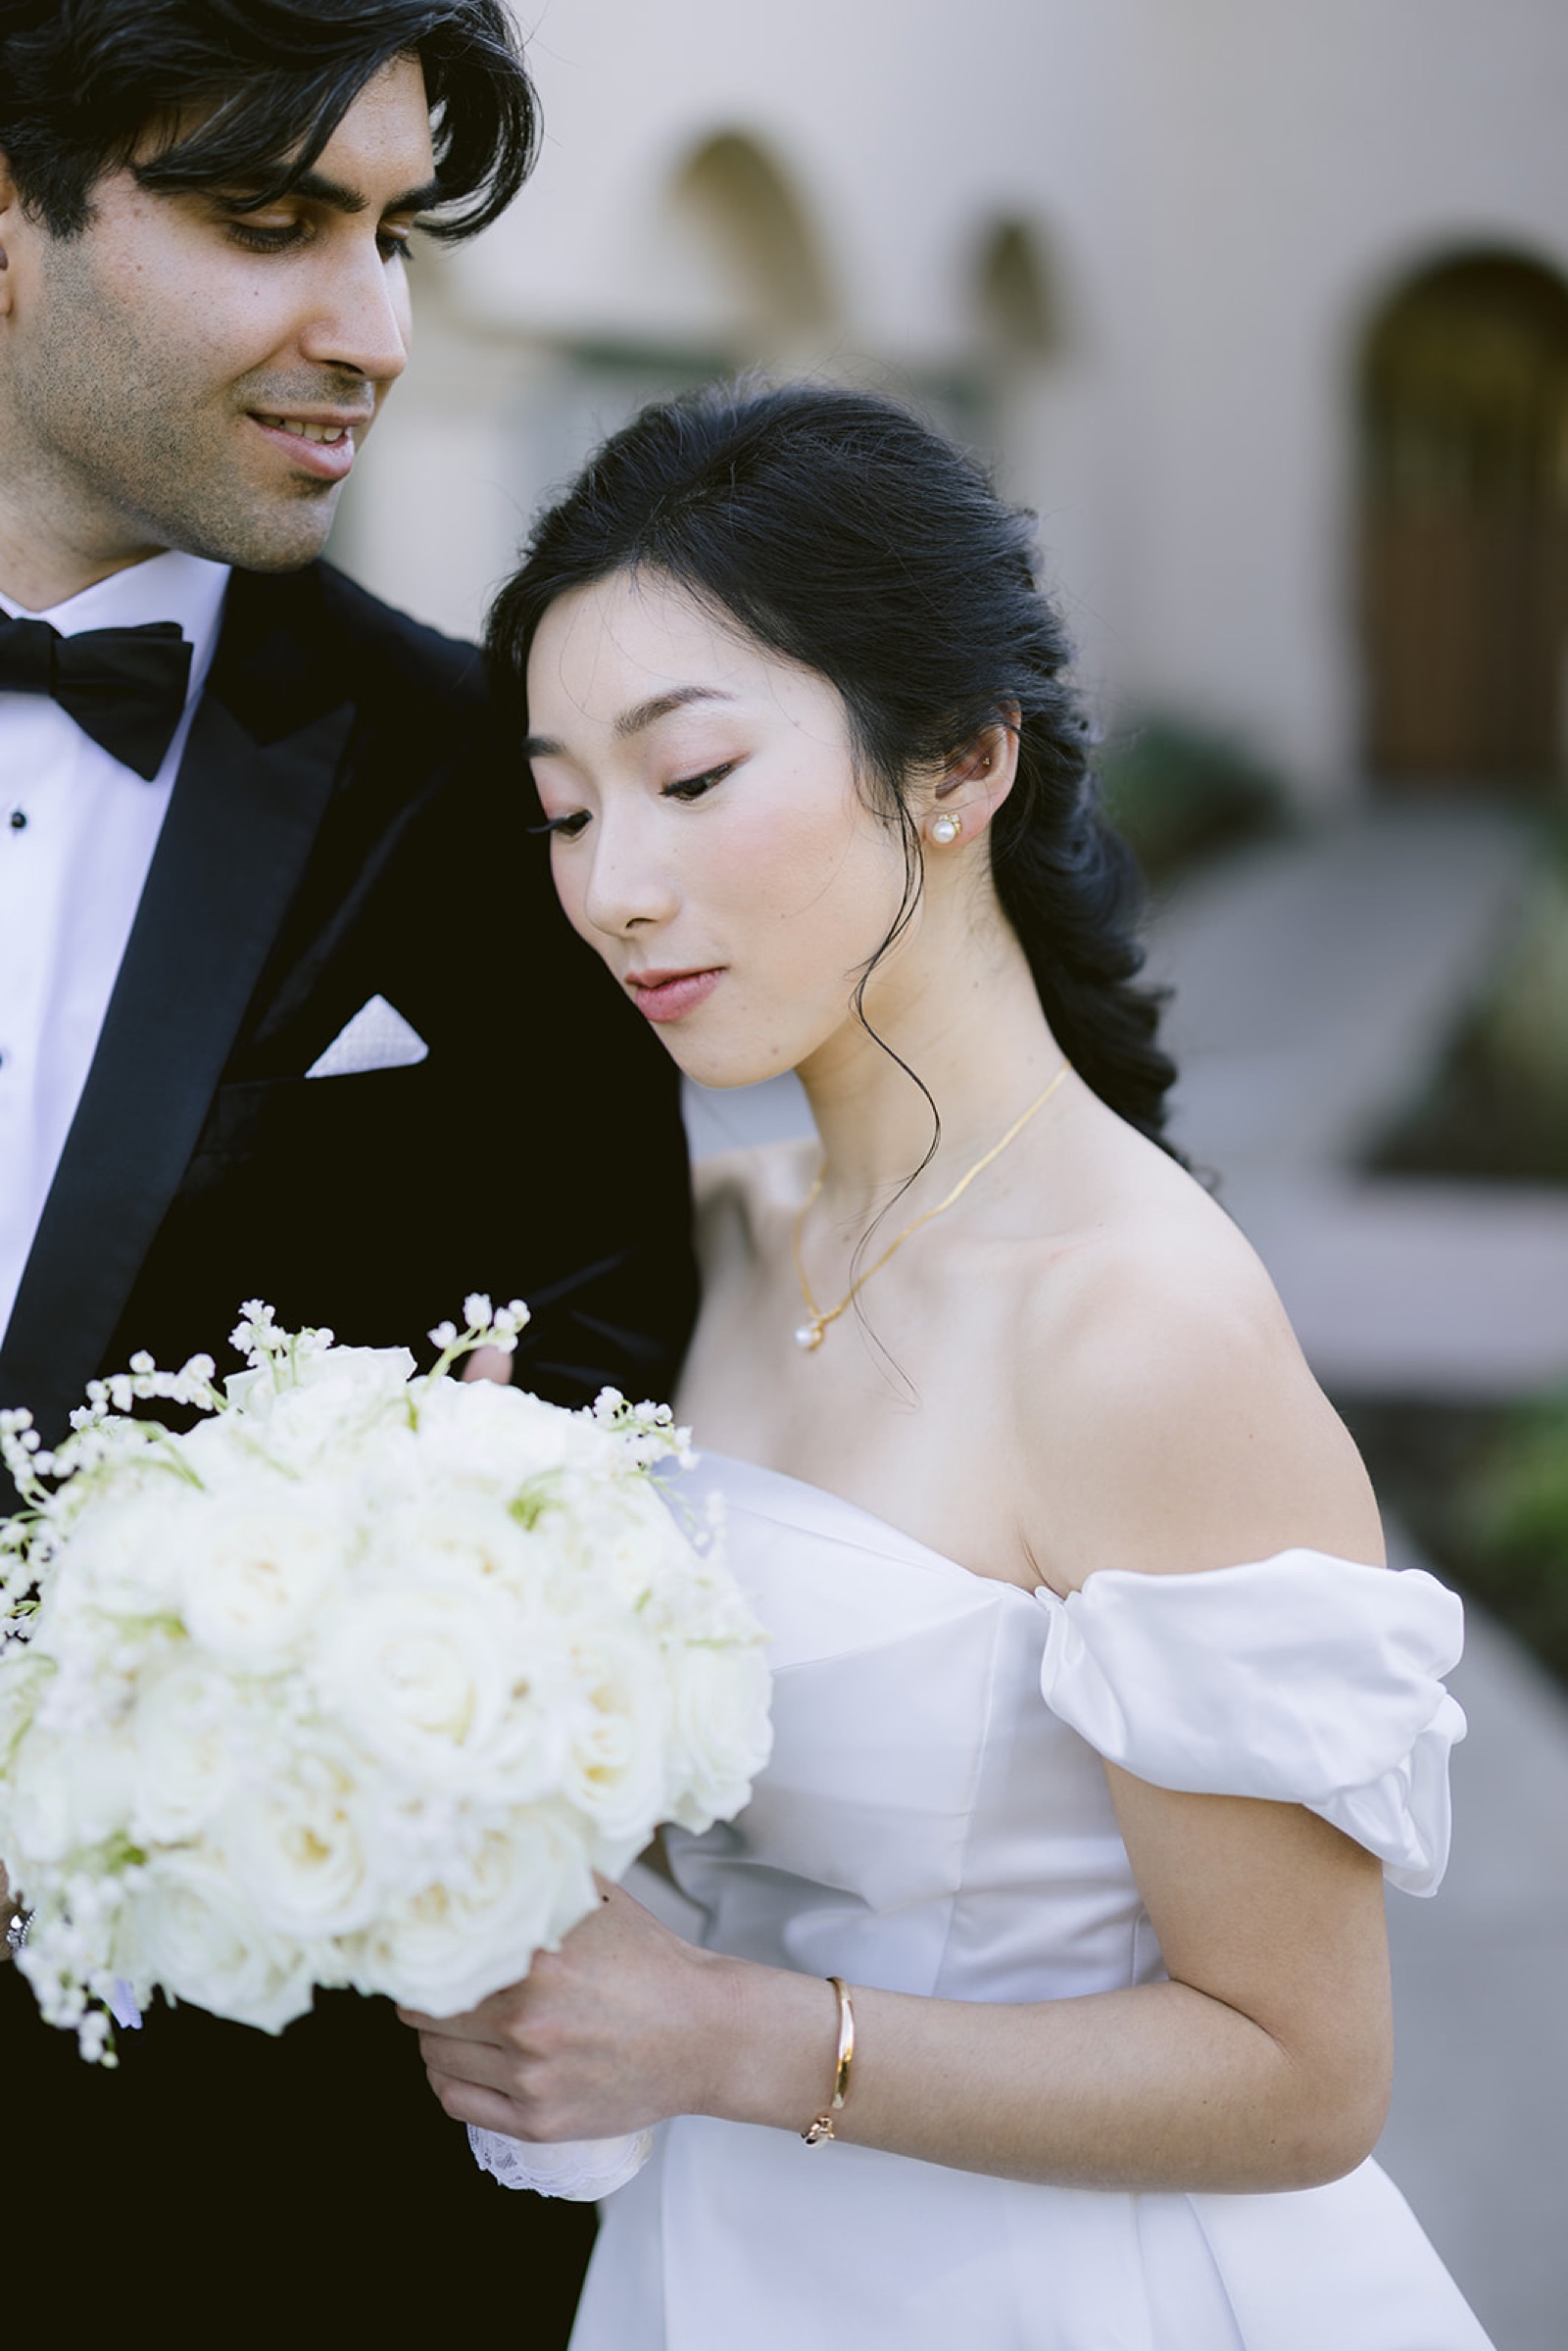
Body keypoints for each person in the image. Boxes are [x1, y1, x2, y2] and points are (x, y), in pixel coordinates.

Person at [405, 382, 1494, 2350]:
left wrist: (726, 2037)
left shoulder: (1131, 1326)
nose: (609, 886)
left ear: (957, 759)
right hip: (714, 2272)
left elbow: (1301, 2074)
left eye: (688, 776)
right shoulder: (717, 1252)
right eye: (564, 808)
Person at [0, 2, 693, 2327]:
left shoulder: (481, 799)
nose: (368, 329)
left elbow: (595, 1427)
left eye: (394, 236)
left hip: (217, 2206)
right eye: (269, 218)